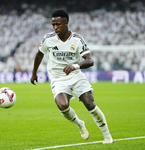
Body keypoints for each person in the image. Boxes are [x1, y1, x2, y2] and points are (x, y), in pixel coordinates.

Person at [30, 9, 113, 144]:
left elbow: (90, 60)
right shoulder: (48, 39)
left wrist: (75, 66)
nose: (55, 27)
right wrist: (34, 73)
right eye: (53, 25)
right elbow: (39, 54)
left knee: (90, 103)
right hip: (58, 78)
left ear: (66, 23)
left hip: (75, 75)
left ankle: (107, 136)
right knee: (62, 105)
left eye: (58, 24)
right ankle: (80, 124)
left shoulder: (77, 39)